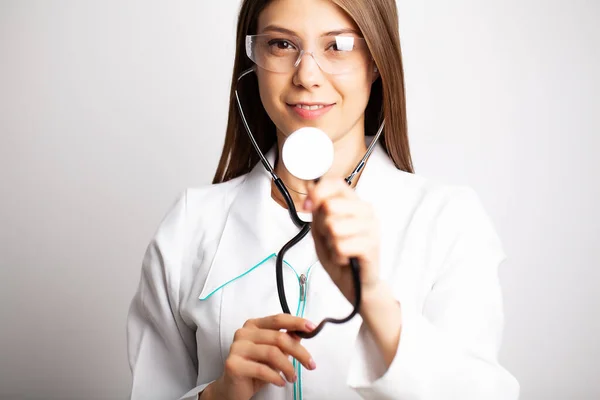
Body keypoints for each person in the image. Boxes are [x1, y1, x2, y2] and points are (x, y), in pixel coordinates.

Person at [126, 0, 520, 399]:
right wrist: (218, 396)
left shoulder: (446, 221)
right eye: (281, 44)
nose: (307, 75)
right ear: (254, 59)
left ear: (377, 61)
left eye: (339, 45)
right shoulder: (192, 225)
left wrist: (372, 298)